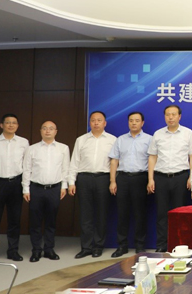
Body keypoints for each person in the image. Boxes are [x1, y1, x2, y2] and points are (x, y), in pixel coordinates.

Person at [147, 105, 192, 252]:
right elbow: (152, 157)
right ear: (164, 117)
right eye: (167, 114)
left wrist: (191, 177)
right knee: (161, 213)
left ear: (179, 116)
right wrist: (150, 179)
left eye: (173, 114)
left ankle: (179, 244)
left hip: (180, 177)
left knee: (179, 213)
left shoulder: (188, 133)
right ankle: (161, 245)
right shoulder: (158, 134)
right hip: (160, 177)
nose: (170, 117)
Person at [0, 114, 29, 263]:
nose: (11, 125)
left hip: (16, 183)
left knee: (14, 219)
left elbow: (26, 164)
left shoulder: (23, 142)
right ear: (1, 125)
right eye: (8, 122)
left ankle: (13, 251)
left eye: (14, 123)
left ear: (17, 126)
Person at [68, 111, 116, 259]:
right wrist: (71, 182)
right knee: (85, 214)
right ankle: (86, 247)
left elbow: (115, 163)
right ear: (90, 123)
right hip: (84, 178)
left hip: (103, 178)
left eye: (99, 120)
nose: (96, 123)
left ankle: (98, 246)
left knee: (102, 214)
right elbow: (74, 161)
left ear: (105, 123)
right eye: (93, 120)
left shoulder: (113, 140)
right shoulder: (81, 140)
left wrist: (113, 181)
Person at [22, 121, 70, 262]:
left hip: (54, 188)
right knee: (35, 221)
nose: (47, 131)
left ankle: (49, 249)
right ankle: (36, 250)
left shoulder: (63, 148)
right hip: (36, 188)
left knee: (51, 221)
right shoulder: (32, 149)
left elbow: (65, 169)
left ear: (56, 131)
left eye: (51, 128)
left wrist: (64, 186)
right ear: (40, 131)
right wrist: (26, 189)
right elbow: (26, 169)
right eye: (44, 128)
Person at [108, 111, 152, 257]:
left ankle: (140, 246)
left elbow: (153, 160)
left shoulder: (149, 139)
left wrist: (150, 180)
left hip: (141, 178)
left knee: (140, 213)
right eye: (131, 120)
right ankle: (122, 246)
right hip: (123, 178)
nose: (134, 123)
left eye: (137, 120)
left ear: (142, 123)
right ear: (128, 122)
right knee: (122, 213)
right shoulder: (120, 139)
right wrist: (113, 181)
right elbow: (114, 160)